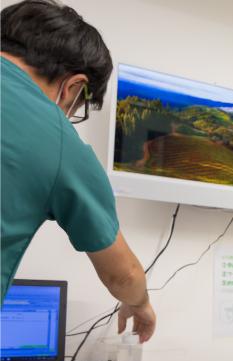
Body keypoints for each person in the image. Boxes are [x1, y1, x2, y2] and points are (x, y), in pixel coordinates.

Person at [1, 0, 155, 341]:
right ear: (73, 87)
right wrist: (140, 304)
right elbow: (124, 276)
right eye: (77, 109)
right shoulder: (56, 136)